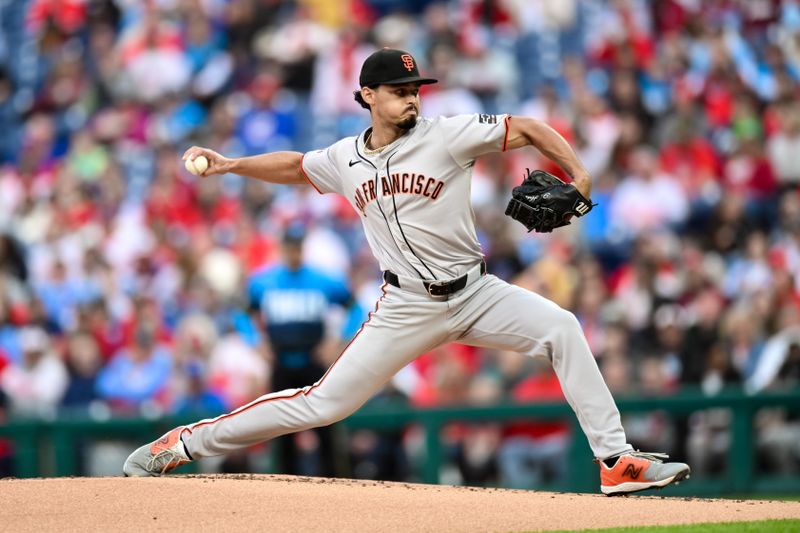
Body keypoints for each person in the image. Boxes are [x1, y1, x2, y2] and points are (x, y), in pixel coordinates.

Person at [123, 48, 690, 495]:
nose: (411, 98)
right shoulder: (345, 158)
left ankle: (615, 462)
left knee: (561, 327)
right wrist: (232, 165)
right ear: (367, 95)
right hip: (406, 306)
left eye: (416, 89)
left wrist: (579, 174)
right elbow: (297, 166)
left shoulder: (448, 135)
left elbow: (532, 128)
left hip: (475, 292)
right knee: (323, 404)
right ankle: (184, 444)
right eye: (398, 91)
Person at [248, 225, 355, 476]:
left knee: (325, 428)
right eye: (289, 247)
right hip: (281, 364)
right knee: (282, 432)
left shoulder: (323, 280)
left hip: (313, 363)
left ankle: (335, 483)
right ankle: (287, 488)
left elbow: (354, 307)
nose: (293, 252)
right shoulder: (264, 281)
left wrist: (337, 340)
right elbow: (244, 312)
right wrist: (256, 340)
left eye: (297, 247)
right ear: (282, 248)